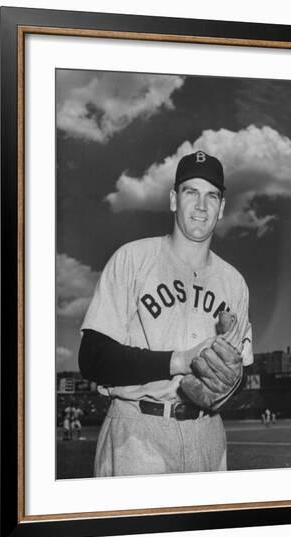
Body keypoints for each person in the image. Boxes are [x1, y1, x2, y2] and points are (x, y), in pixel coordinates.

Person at [78, 150, 253, 477]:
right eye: (191, 192)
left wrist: (230, 386)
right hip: (137, 433)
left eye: (212, 196)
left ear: (222, 208)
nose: (201, 206)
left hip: (209, 435)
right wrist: (180, 360)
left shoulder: (235, 283)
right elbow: (92, 357)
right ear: (174, 200)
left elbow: (239, 370)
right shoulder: (132, 259)